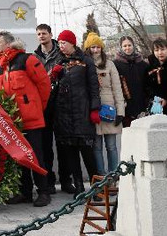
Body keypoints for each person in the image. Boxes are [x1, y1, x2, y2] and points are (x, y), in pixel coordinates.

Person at [0, 31, 51, 206]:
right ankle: (24, 192)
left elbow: (44, 85)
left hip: (31, 120)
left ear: (9, 44)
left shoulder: (27, 60)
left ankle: (43, 192)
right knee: (19, 157)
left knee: (36, 156)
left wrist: (36, 107)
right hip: (13, 122)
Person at [52, 29, 100, 196]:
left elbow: (94, 87)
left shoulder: (86, 61)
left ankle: (96, 188)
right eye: (59, 43)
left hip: (82, 113)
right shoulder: (59, 62)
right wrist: (53, 77)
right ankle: (79, 187)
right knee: (71, 154)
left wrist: (95, 109)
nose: (61, 46)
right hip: (64, 115)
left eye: (63, 43)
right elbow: (52, 90)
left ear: (72, 43)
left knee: (88, 154)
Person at [34, 23, 74, 194]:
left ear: (51, 35)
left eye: (44, 33)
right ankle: (49, 181)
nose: (42, 36)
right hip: (44, 106)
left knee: (64, 145)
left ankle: (66, 180)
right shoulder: (35, 57)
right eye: (39, 34)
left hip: (62, 104)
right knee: (46, 146)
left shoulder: (61, 53)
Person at [83, 33, 125, 176]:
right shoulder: (84, 64)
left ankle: (113, 176)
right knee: (96, 147)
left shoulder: (109, 64)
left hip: (109, 109)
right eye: (92, 47)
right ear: (88, 48)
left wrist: (120, 111)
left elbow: (117, 89)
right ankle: (101, 178)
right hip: (92, 110)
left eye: (98, 47)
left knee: (112, 146)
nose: (95, 50)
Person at [113, 36, 148, 126]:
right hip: (125, 105)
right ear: (121, 47)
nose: (127, 48)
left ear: (133, 46)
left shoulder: (142, 64)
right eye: (124, 46)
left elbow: (147, 84)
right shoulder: (115, 64)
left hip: (141, 104)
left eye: (129, 45)